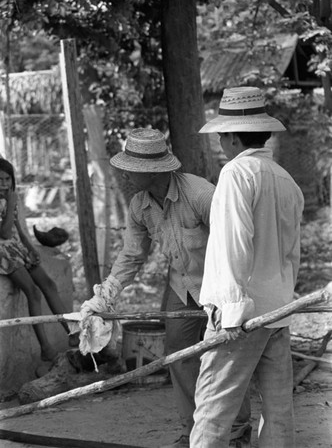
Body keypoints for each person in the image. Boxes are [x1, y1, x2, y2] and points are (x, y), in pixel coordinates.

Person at [78, 128, 250, 448]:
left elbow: (234, 241)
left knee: (226, 355)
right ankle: (193, 431)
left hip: (221, 285)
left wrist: (231, 297)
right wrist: (105, 295)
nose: (125, 172)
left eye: (132, 167)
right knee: (179, 355)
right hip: (182, 286)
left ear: (152, 170)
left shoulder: (200, 194)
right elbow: (132, 256)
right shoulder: (139, 206)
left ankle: (237, 431)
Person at [190, 86, 305, 448]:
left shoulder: (237, 173)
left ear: (231, 137)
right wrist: (283, 300)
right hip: (278, 311)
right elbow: (291, 256)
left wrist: (231, 311)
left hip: (241, 314)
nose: (221, 143)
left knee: (213, 410)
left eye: (223, 135)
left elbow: (232, 244)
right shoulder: (286, 180)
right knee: (278, 413)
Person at [0, 158, 77, 362]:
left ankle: (73, 333)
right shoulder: (7, 200)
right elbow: (5, 233)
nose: (4, 184)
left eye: (7, 179)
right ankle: (45, 348)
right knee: (33, 293)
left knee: (49, 285)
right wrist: (10, 204)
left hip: (17, 248)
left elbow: (17, 230)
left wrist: (30, 248)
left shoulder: (9, 197)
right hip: (3, 253)